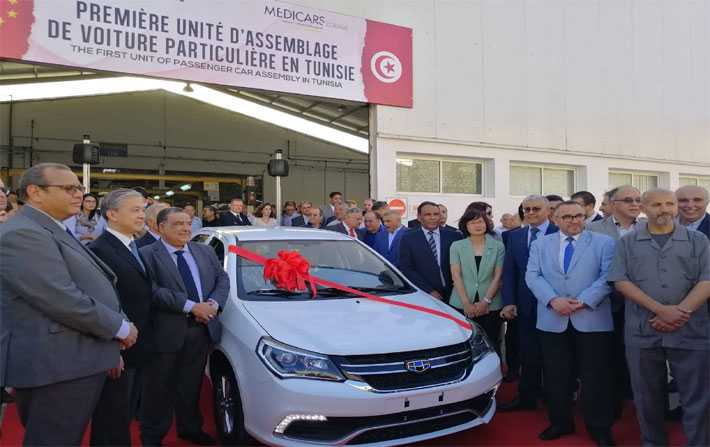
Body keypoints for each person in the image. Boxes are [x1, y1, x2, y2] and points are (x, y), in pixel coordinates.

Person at [0, 163, 137, 446]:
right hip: (56, 364)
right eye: (69, 188)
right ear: (34, 192)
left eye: (80, 188)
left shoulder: (48, 227)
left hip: (74, 358)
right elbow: (59, 297)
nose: (79, 194)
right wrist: (118, 328)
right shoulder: (22, 233)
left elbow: (94, 283)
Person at [609, 188, 710, 447]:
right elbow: (620, 280)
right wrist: (661, 310)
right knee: (646, 395)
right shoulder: (627, 243)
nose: (663, 209)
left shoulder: (698, 240)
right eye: (656, 205)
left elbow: (706, 280)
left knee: (697, 396)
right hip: (642, 330)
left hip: (691, 330)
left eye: (669, 204)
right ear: (643, 208)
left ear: (675, 207)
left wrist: (680, 312)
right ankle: (652, 442)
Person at [526, 201, 616, 445]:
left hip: (592, 319)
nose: (573, 220)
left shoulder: (604, 243)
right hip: (552, 319)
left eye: (578, 215)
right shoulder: (540, 244)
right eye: (566, 216)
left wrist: (585, 301)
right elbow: (533, 276)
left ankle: (599, 427)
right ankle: (560, 422)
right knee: (557, 376)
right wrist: (553, 300)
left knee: (595, 376)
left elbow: (608, 276)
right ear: (555, 219)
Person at [139, 207, 229, 446]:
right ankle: (152, 436)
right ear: (160, 228)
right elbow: (151, 290)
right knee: (159, 388)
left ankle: (190, 428)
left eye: (188, 223)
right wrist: (191, 307)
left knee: (191, 385)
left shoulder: (205, 251)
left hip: (201, 330)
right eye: (178, 224)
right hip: (165, 332)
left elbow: (222, 279)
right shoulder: (146, 254)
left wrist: (212, 304)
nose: (185, 228)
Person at [88, 189, 153, 446]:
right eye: (135, 210)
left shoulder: (132, 244)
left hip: (137, 346)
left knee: (122, 416)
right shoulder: (100, 250)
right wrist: (111, 349)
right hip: (118, 348)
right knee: (111, 419)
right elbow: (102, 302)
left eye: (143, 209)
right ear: (112, 214)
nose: (142, 215)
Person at [587, 185, 644, 419]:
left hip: (643, 304)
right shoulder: (592, 229)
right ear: (612, 204)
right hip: (605, 303)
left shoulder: (650, 227)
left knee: (641, 359)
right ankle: (610, 408)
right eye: (628, 199)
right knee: (608, 358)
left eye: (638, 200)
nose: (635, 204)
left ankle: (642, 407)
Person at [498, 195, 559, 412]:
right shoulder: (515, 237)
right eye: (527, 209)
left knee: (555, 356)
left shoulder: (559, 232)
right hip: (524, 304)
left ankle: (556, 398)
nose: (531, 213)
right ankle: (527, 397)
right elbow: (510, 271)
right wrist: (509, 302)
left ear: (547, 211)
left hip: (555, 304)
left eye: (536, 208)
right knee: (528, 353)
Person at [449, 208, 505, 350]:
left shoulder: (498, 246)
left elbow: (498, 276)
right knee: (463, 343)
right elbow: (456, 275)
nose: (477, 225)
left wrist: (485, 302)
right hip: (461, 302)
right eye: (472, 223)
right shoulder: (457, 246)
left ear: (486, 223)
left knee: (491, 342)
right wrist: (466, 303)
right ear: (465, 226)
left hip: (491, 304)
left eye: (480, 222)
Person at [399, 202, 463, 301]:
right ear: (419, 217)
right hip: (425, 295)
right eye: (428, 214)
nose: (432, 217)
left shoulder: (454, 236)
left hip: (455, 294)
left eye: (436, 214)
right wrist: (429, 291)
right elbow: (407, 268)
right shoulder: (408, 238)